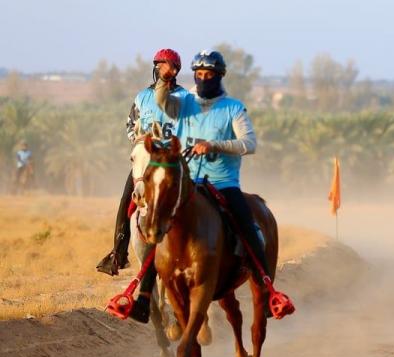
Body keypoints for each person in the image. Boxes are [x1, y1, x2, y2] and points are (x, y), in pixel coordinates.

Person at [156, 49, 276, 314]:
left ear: (219, 76)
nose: (202, 79)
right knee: (155, 218)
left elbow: (250, 143)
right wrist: (164, 81)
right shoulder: (184, 102)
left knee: (249, 226)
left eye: (208, 74)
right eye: (198, 74)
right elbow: (162, 103)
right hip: (187, 181)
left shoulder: (233, 108)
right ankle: (142, 290)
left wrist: (214, 145)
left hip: (223, 182)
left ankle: (267, 287)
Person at [96, 48, 188, 278]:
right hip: (146, 158)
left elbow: (190, 126)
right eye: (161, 66)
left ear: (176, 71)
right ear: (156, 68)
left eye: (171, 66)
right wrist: (139, 140)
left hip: (171, 159)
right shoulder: (142, 97)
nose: (165, 70)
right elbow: (130, 125)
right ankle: (118, 254)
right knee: (126, 201)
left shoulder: (185, 98)